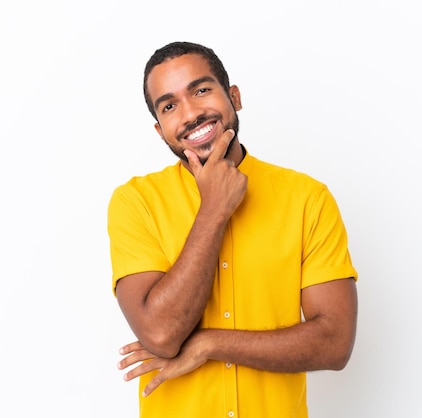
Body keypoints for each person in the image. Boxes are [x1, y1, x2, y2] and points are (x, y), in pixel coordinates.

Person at [108, 41, 358, 418]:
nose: (191, 113)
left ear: (234, 96)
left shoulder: (307, 198)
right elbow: (160, 334)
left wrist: (208, 343)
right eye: (170, 105)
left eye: (201, 90)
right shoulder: (135, 202)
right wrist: (214, 210)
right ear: (161, 130)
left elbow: (335, 343)